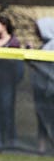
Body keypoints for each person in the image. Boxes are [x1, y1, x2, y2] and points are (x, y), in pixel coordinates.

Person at [0, 14, 23, 150]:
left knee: (7, 114)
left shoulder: (14, 43)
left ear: (4, 25)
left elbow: (16, 65)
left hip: (7, 85)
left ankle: (11, 144)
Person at [32, 17, 54, 153]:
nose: (36, 32)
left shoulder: (51, 46)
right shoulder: (44, 45)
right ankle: (42, 148)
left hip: (51, 91)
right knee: (42, 120)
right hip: (41, 90)